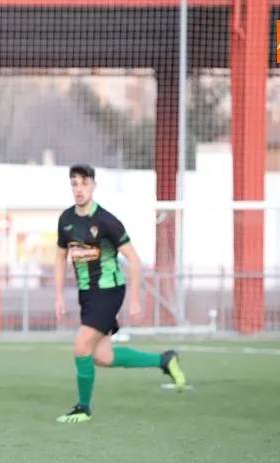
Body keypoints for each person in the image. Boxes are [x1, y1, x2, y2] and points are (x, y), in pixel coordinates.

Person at [54, 164, 185, 424]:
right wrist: (58, 295)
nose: (79, 189)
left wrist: (134, 300)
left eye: (84, 183)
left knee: (81, 347)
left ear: (93, 185)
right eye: (74, 184)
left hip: (108, 292)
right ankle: (164, 360)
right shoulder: (66, 220)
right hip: (87, 295)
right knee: (103, 357)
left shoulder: (106, 221)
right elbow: (60, 258)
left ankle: (83, 408)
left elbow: (134, 260)